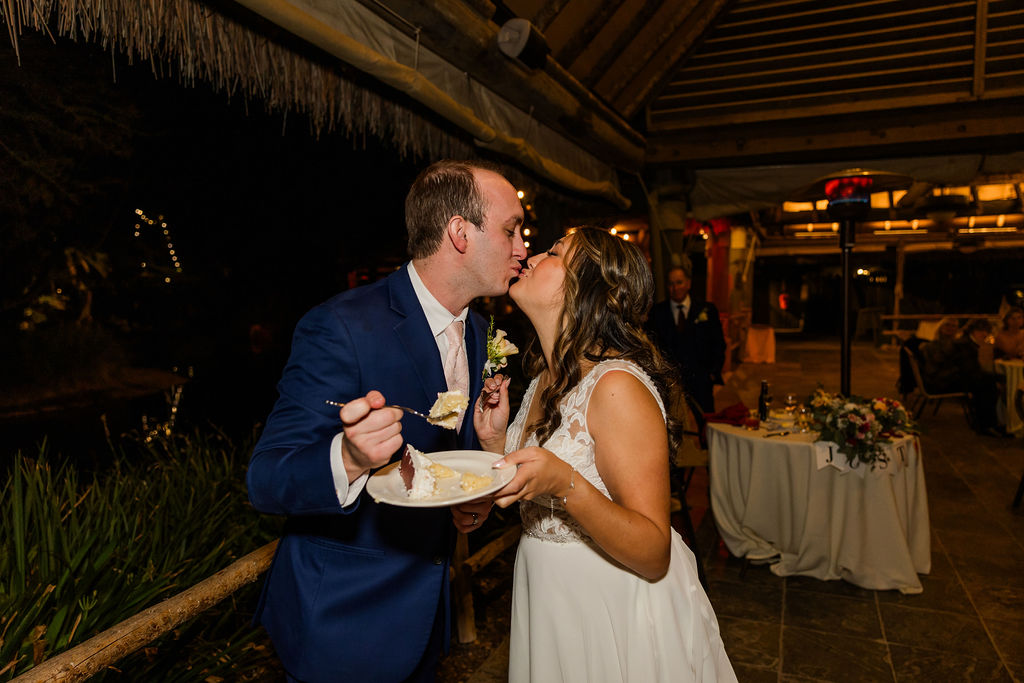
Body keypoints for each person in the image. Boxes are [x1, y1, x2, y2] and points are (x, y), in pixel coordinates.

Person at [246, 159, 526, 682]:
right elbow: (266, 479)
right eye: (511, 230)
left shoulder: (479, 332)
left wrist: (475, 496)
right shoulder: (341, 326)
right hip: (342, 622)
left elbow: (442, 462)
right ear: (459, 233)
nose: (522, 247)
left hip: (426, 618)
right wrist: (349, 457)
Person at [475, 227, 736, 682]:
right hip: (548, 593)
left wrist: (566, 486)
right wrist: (495, 443)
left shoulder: (616, 386)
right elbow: (527, 492)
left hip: (612, 603)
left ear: (588, 288)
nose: (532, 256)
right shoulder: (540, 380)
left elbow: (654, 552)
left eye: (554, 252)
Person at [646, 265, 726, 413]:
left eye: (679, 282)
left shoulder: (707, 309)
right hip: (671, 383)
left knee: (705, 423)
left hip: (701, 380)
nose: (675, 288)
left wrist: (713, 373)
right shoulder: (657, 313)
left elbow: (718, 344)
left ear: (688, 284)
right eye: (671, 284)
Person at [921, 317, 1003, 436]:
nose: (984, 334)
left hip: (948, 377)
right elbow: (969, 370)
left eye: (986, 331)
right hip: (942, 382)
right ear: (972, 331)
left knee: (987, 382)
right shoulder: (965, 344)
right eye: (980, 330)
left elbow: (971, 368)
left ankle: (988, 423)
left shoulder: (968, 342)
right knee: (986, 385)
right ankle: (987, 425)